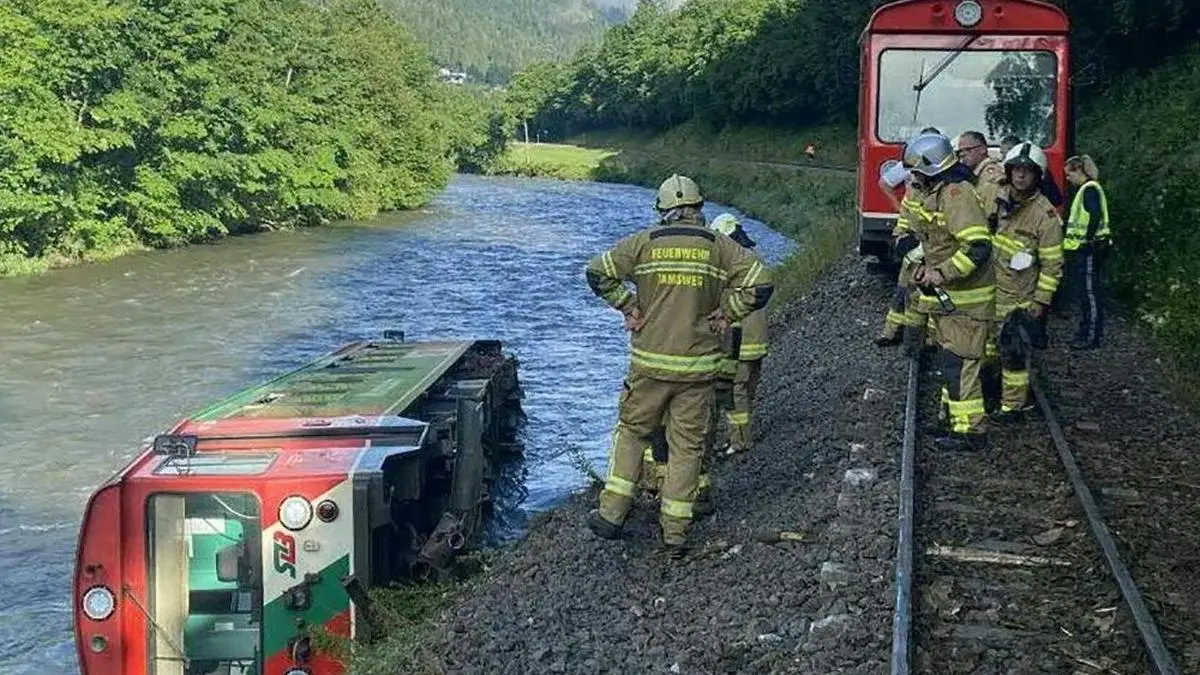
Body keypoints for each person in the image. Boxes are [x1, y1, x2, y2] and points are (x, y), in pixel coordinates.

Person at [584, 174, 774, 557]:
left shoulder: (644, 242)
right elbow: (762, 281)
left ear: (663, 211)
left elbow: (596, 272)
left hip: (649, 366)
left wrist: (628, 306)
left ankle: (612, 513)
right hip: (699, 369)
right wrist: (729, 312)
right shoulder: (720, 247)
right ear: (699, 209)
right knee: (687, 448)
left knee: (633, 434)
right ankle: (675, 535)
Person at [902, 132, 996, 450]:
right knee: (952, 360)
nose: (913, 178)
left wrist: (942, 273)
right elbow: (932, 240)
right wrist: (917, 262)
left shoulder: (957, 194)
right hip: (951, 300)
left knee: (963, 363)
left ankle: (971, 431)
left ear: (930, 168)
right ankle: (953, 421)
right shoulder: (938, 192)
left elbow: (978, 246)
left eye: (917, 171)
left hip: (968, 300)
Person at [989, 142, 1064, 420]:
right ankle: (989, 393)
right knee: (985, 349)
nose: (1021, 176)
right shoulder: (995, 197)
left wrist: (1041, 301)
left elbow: (1052, 264)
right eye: (1016, 170)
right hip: (988, 289)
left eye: (1027, 171)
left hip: (1018, 298)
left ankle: (1013, 407)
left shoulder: (1045, 217)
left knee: (1013, 353)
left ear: (1038, 176)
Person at [709, 214, 768, 455]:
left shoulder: (732, 267)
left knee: (736, 392)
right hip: (758, 339)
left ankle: (740, 442)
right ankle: (741, 436)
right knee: (747, 390)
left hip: (741, 340)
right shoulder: (753, 261)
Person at [1063, 154, 1111, 349]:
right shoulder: (1087, 190)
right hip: (1084, 249)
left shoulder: (1089, 190)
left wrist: (1087, 239)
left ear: (1078, 171)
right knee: (1085, 293)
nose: (1067, 179)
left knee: (1090, 293)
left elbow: (1095, 216)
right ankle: (1085, 332)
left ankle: (1091, 337)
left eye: (1068, 174)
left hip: (1089, 249)